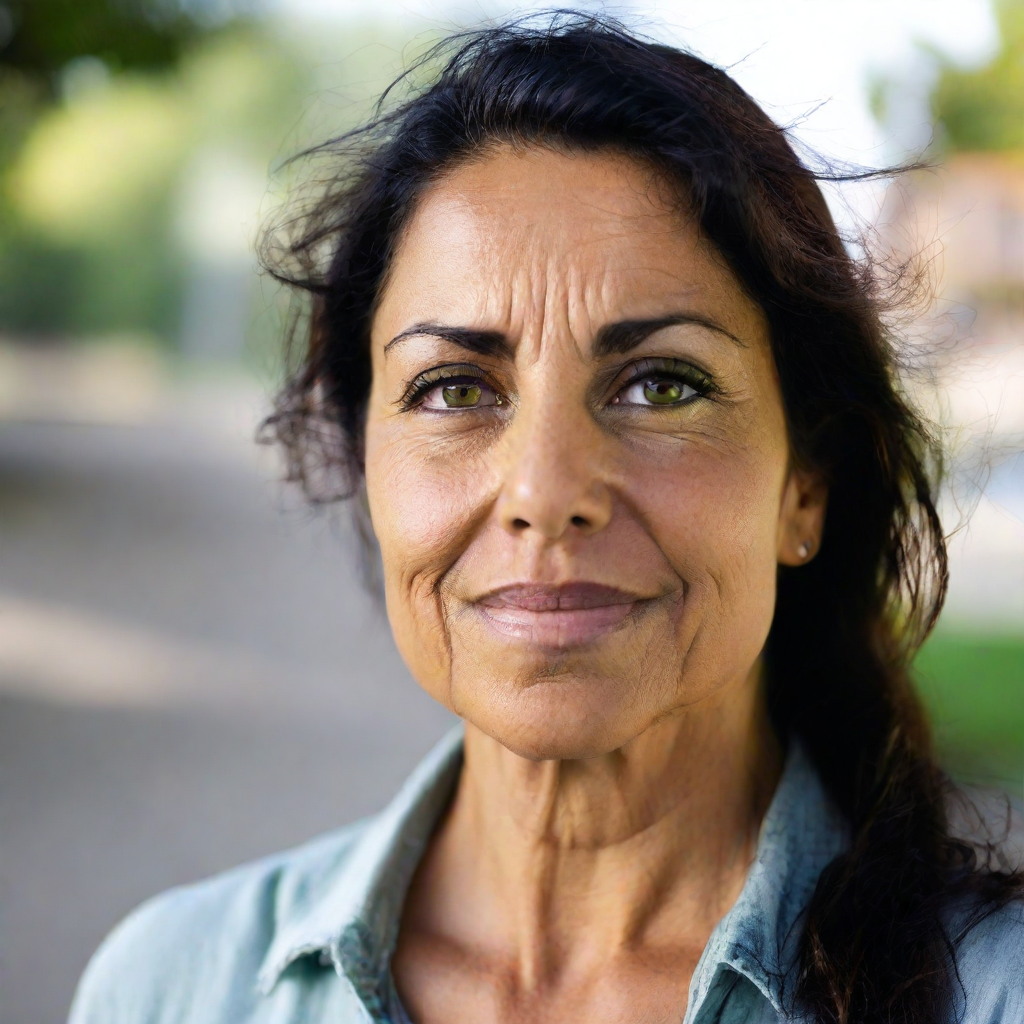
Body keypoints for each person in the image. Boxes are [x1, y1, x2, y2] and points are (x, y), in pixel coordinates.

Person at [69, 15, 1024, 1024]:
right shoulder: (168, 989)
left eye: (661, 385)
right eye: (454, 389)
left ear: (806, 486)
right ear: (367, 464)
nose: (543, 490)